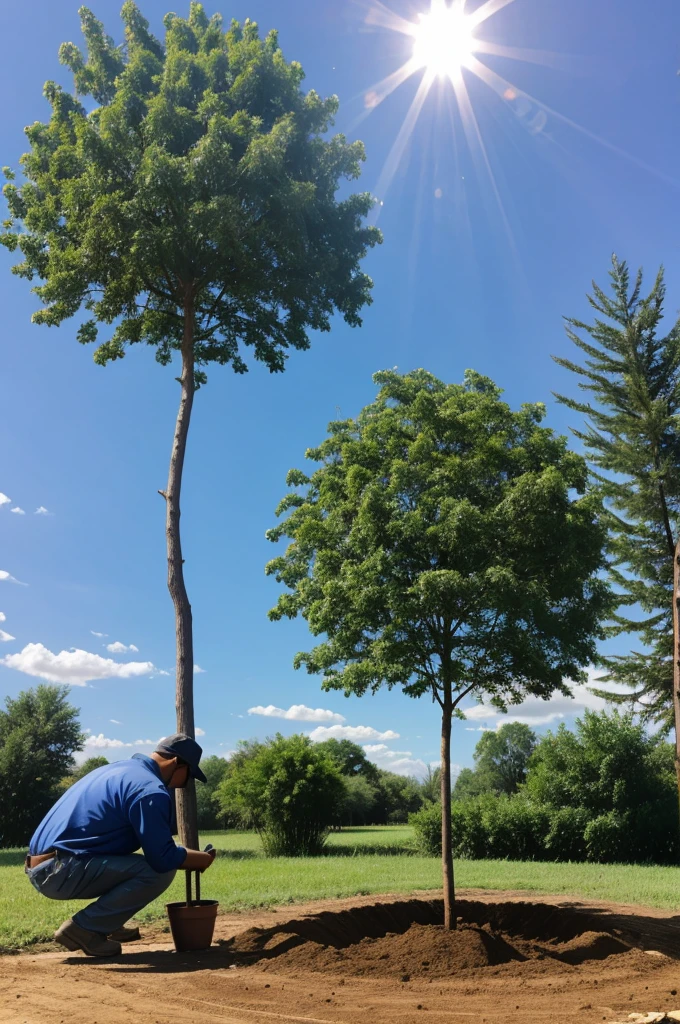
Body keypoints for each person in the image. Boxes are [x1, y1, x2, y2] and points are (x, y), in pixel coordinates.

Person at [25, 733, 216, 957]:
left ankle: (106, 923)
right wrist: (202, 859)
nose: (185, 783)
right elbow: (161, 858)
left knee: (137, 864)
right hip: (58, 871)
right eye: (189, 775)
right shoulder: (150, 790)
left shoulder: (118, 770)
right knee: (159, 872)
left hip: (46, 864)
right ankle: (83, 929)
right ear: (176, 763)